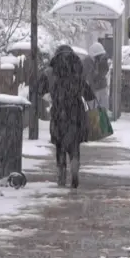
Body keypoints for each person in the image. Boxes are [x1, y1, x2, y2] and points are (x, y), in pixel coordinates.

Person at [38, 45, 96, 188]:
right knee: (74, 143)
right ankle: (74, 166)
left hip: (59, 113)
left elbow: (39, 90)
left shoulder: (51, 74)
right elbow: (89, 96)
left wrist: (51, 97)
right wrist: (94, 114)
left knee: (60, 144)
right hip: (76, 113)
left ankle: (61, 172)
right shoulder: (77, 74)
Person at [84, 42, 110, 110]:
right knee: (94, 110)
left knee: (102, 109)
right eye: (98, 56)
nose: (99, 58)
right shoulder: (87, 62)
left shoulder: (102, 61)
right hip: (93, 90)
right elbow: (89, 77)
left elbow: (105, 70)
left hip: (100, 88)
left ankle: (101, 119)